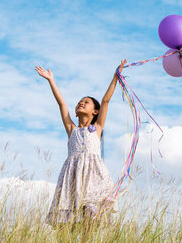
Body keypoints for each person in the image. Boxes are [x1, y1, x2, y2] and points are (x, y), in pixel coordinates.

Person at [35, 60, 127, 224]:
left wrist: (116, 77)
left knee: (89, 215)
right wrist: (51, 80)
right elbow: (62, 103)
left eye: (86, 102)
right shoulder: (72, 129)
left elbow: (105, 100)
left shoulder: (97, 127)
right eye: (79, 102)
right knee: (69, 218)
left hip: (93, 175)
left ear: (95, 111)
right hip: (73, 174)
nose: (81, 103)